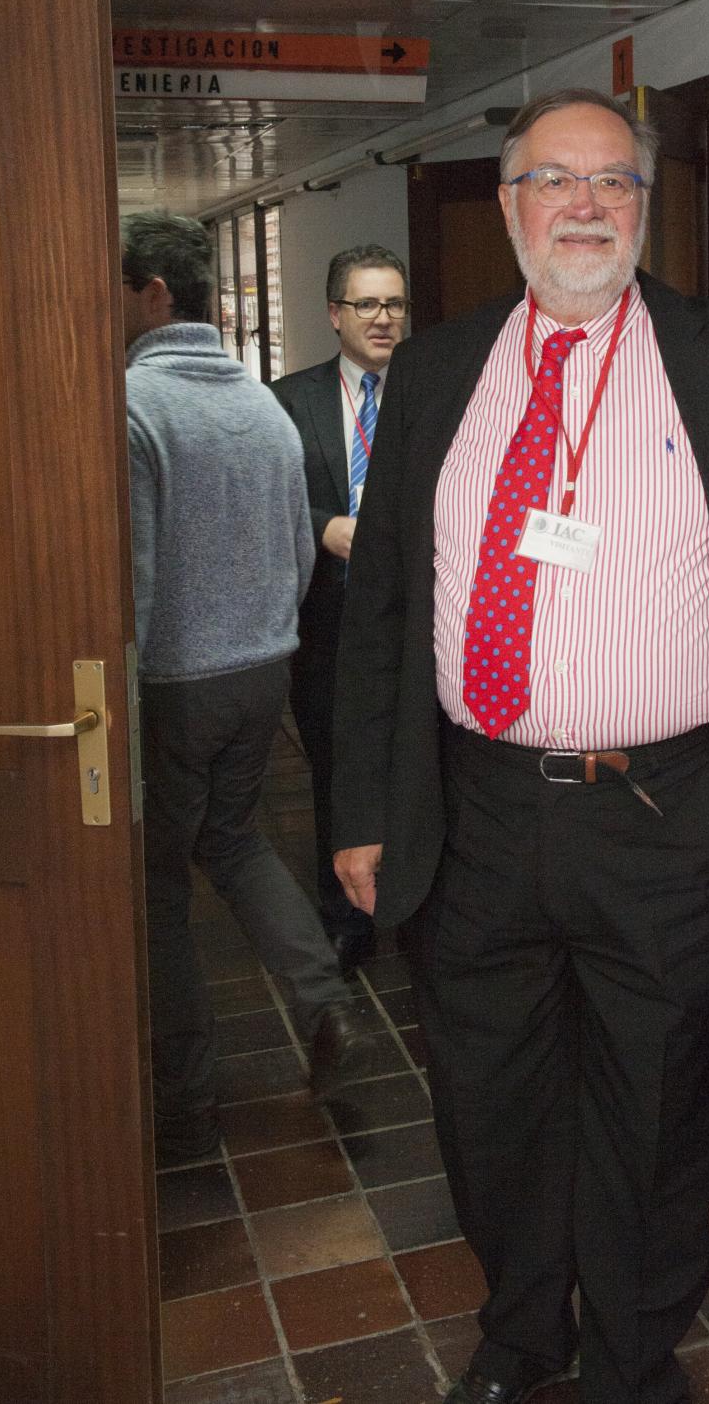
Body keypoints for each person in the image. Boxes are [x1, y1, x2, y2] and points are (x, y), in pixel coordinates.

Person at [331, 92, 709, 1404]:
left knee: (656, 1100)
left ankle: (633, 1354)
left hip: (674, 810)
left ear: (644, 206)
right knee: (491, 1099)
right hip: (476, 807)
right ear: (508, 208)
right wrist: (360, 804)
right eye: (552, 182)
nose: (582, 206)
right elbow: (385, 600)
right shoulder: (442, 371)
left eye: (611, 182)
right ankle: (520, 1339)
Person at [122, 210, 372, 1169]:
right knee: (232, 841)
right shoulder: (261, 406)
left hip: (174, 681)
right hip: (262, 671)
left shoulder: (136, 405)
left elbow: (136, 577)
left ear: (151, 295)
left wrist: (126, 706)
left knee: (156, 887)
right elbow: (295, 550)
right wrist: (269, 640)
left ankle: (183, 1101)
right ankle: (324, 1002)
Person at [272, 245, 410, 971]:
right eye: (368, 304)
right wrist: (324, 525)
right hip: (328, 626)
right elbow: (269, 506)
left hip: (416, 627)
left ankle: (416, 909)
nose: (384, 319)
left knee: (416, 769)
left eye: (394, 304)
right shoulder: (288, 401)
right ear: (335, 314)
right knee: (335, 772)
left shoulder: (433, 391)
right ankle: (345, 921)